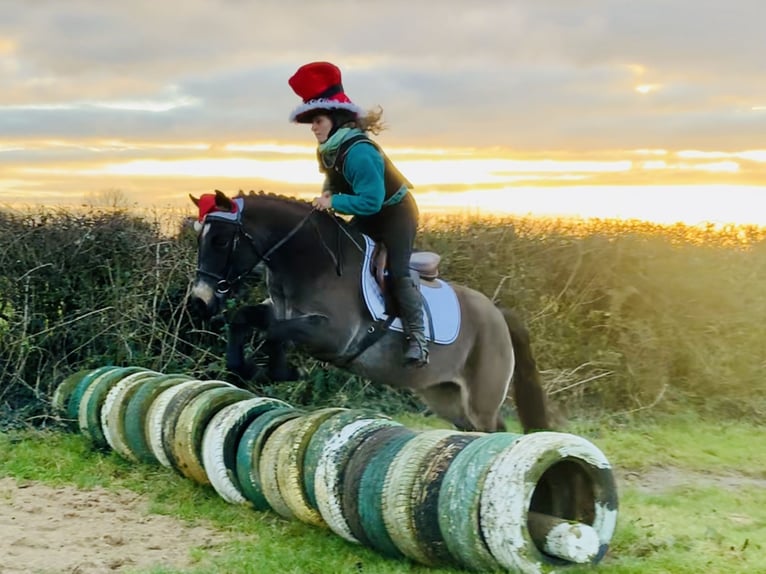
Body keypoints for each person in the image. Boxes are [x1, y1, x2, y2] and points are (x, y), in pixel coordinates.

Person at [288, 61, 428, 367]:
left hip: (394, 213)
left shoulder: (361, 151)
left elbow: (371, 202)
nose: (313, 127)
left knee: (398, 272)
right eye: (311, 122)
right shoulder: (328, 147)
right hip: (368, 208)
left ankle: (418, 337)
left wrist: (333, 202)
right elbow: (334, 180)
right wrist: (326, 197)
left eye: (318, 120)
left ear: (335, 119)